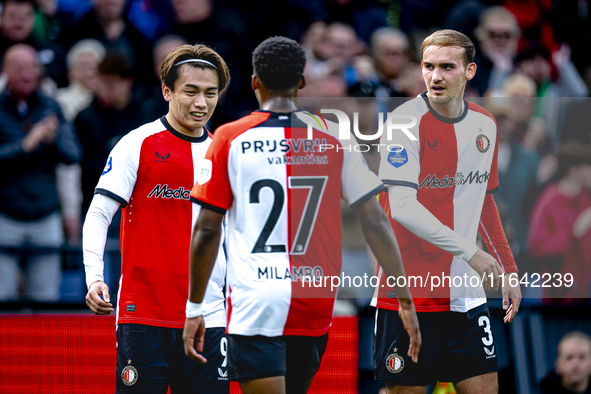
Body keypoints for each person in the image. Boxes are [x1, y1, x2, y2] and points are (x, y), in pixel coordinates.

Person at [183, 36, 421, 394]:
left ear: (254, 81)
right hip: (315, 296)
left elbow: (205, 230)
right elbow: (375, 219)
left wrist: (195, 306)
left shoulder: (228, 138)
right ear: (301, 83)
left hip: (256, 296)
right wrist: (403, 297)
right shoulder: (335, 136)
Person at [372, 29, 522, 393]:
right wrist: (472, 252)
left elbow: (483, 199)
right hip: (407, 292)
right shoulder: (404, 122)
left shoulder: (484, 124)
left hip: (464, 294)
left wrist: (509, 268)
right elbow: (404, 207)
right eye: (428, 66)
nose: (435, 76)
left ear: (470, 71)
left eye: (447, 67)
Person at [83, 44, 231, 393]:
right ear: (167, 91)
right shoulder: (137, 144)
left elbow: (235, 235)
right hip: (144, 315)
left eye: (211, 93)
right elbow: (99, 214)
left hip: (208, 318)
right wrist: (94, 277)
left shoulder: (225, 154)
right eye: (190, 91)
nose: (201, 103)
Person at [0, 43, 80, 301]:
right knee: (4, 298)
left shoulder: (51, 106)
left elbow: (72, 155)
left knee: (45, 300)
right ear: (5, 71)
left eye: (32, 67)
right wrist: (26, 145)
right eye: (19, 67)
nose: (26, 73)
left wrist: (52, 138)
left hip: (45, 215)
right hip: (6, 215)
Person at [528, 142, 591, 299]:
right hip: (558, 296)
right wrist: (573, 233)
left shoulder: (586, 200)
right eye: (588, 168)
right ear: (573, 170)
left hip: (584, 292)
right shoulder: (549, 201)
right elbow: (537, 247)